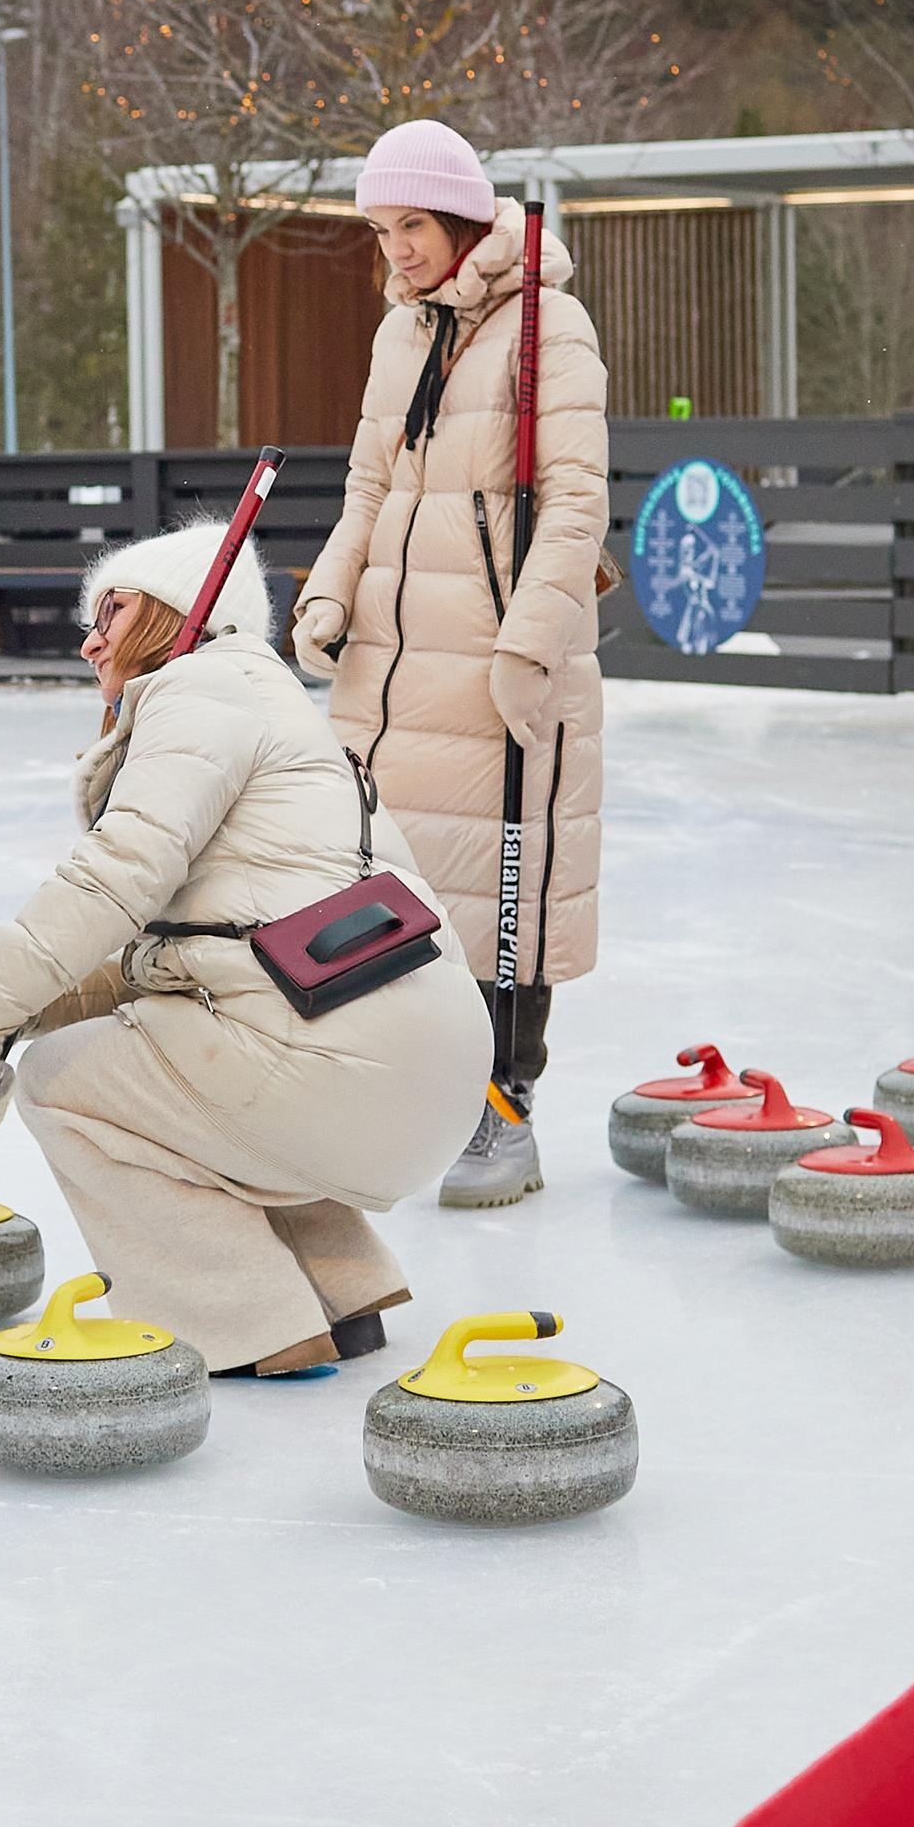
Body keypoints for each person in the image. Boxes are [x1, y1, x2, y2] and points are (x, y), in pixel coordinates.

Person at [0, 524, 492, 1377]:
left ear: (172, 615)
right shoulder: (271, 710)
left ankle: (247, 1321)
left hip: (342, 1066)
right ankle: (343, 1290)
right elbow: (183, 953)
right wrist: (32, 997)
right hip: (429, 1073)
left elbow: (116, 875)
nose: (89, 642)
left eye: (110, 611)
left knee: (65, 1084)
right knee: (198, 1069)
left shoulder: (197, 694)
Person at [292, 119, 608, 1209]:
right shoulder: (399, 336)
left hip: (491, 669)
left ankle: (501, 1111)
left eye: (411, 226)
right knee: (379, 890)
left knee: (498, 901)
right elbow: (367, 489)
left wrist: (528, 641)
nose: (397, 252)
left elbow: (574, 500)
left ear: (465, 219)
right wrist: (330, 589)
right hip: (389, 667)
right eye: (380, 232)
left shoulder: (546, 330)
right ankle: (395, 1099)